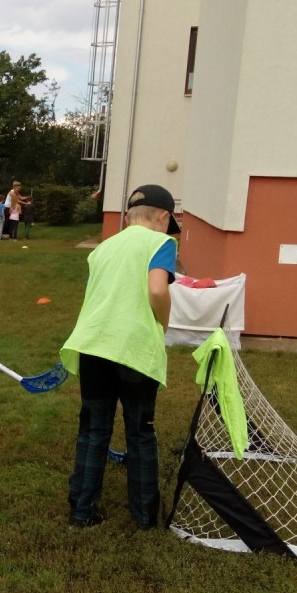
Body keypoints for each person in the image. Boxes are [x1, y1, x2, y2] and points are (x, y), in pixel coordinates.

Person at [59, 184, 180, 530]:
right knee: (140, 430)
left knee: (93, 428)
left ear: (128, 218)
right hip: (134, 350)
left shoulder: (103, 248)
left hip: (94, 346)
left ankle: (82, 510)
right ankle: (144, 515)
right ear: (163, 217)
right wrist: (163, 322)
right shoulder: (161, 243)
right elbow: (157, 289)